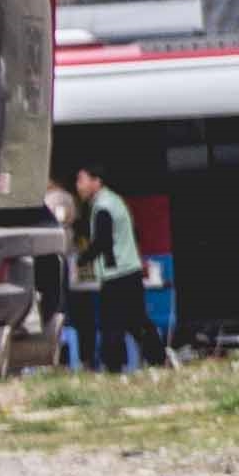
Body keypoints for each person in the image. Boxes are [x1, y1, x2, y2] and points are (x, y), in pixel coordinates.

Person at [64, 160, 150, 374]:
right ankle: (155, 359)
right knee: (134, 321)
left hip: (118, 273)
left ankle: (114, 367)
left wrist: (81, 261)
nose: (78, 186)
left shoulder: (103, 206)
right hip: (128, 269)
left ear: (96, 182)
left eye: (81, 180)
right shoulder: (113, 201)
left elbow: (102, 242)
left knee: (113, 323)